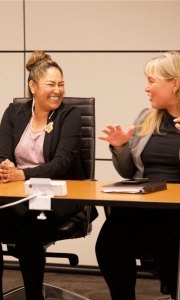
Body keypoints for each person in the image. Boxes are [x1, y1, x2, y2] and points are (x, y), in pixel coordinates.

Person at [0, 50, 98, 300]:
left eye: (61, 84)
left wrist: (23, 174)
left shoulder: (70, 115)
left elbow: (61, 164)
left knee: (30, 226)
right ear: (33, 86)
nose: (57, 90)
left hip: (58, 194)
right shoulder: (13, 113)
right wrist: (4, 168)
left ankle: (34, 296)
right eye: (50, 84)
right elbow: (0, 155)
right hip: (17, 194)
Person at [96, 51, 180, 300]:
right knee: (109, 243)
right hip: (147, 204)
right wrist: (121, 147)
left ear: (175, 83)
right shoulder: (146, 117)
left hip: (176, 211)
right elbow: (128, 172)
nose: (146, 88)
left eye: (152, 81)